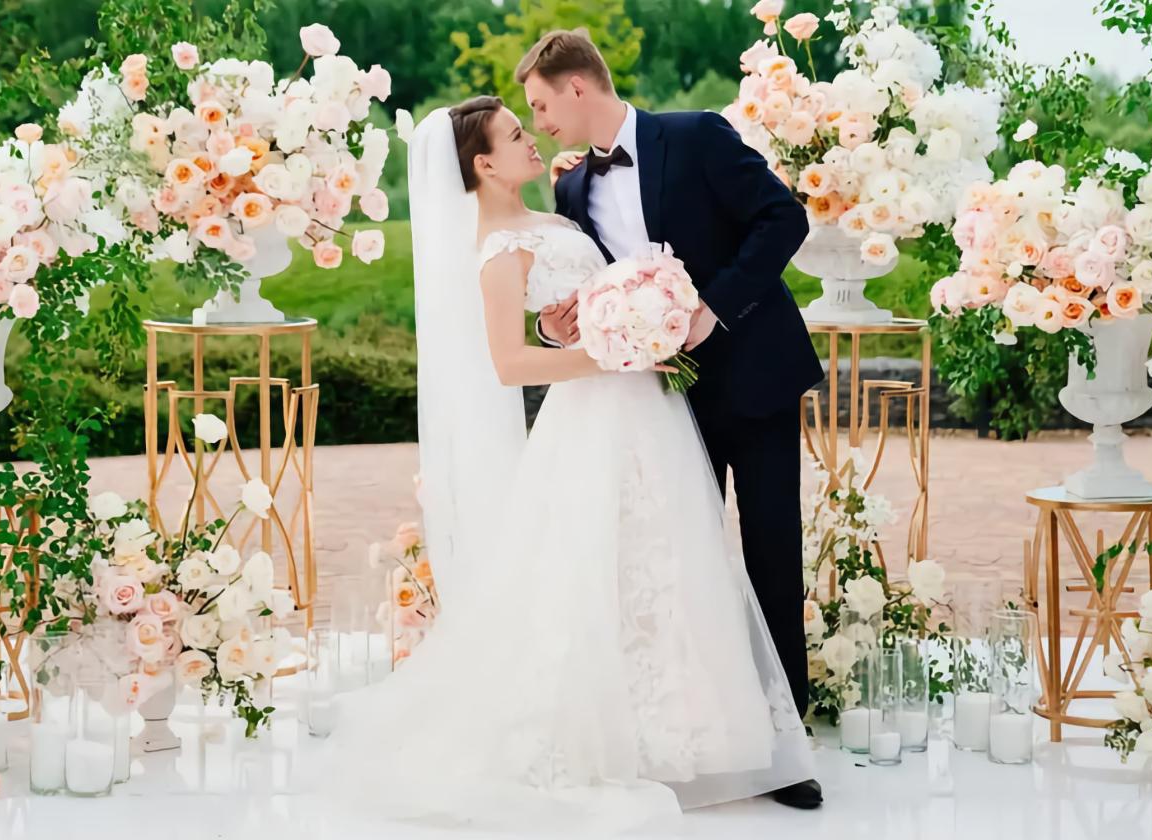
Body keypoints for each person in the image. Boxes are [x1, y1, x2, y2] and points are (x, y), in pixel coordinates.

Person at [316, 92, 814, 833]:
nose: (532, 138)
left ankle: (706, 730)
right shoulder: (496, 249)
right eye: (516, 134)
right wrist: (610, 351)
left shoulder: (555, 212)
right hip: (598, 409)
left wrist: (605, 323)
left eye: (530, 124)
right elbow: (510, 364)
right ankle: (610, 731)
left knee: (673, 560)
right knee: (598, 569)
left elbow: (584, 301)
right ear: (482, 163)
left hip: (651, 407)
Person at [527, 28, 825, 809]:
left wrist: (712, 308)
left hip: (753, 376)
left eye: (541, 103)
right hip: (659, 404)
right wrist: (557, 329)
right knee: (684, 565)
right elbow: (586, 293)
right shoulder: (568, 192)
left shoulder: (694, 136)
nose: (539, 121)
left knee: (769, 552)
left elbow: (781, 220)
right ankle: (697, 731)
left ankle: (788, 752)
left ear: (578, 87)